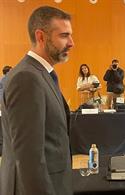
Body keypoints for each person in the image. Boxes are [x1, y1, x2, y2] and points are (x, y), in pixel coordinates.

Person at [0, 6, 74, 195]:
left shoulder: (42, 74)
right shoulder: (27, 77)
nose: (72, 43)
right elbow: (29, 159)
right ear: (41, 37)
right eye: (64, 36)